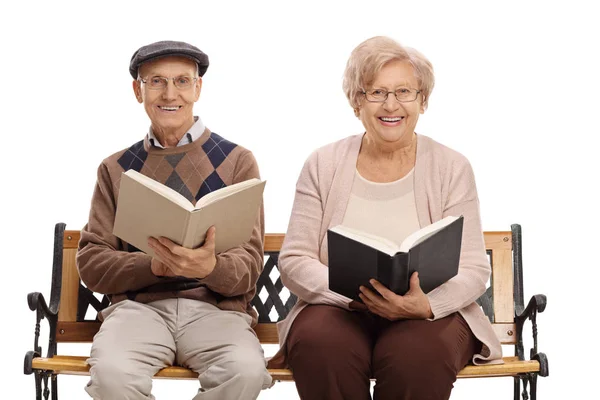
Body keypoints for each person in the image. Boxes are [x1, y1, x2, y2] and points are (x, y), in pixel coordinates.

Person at [269, 36, 503, 400]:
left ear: (422, 100)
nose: (390, 105)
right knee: (321, 345)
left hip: (428, 311)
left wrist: (425, 305)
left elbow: (473, 268)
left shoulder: (452, 167)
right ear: (356, 102)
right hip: (340, 307)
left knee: (417, 356)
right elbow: (295, 260)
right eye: (376, 92)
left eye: (404, 92)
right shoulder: (323, 164)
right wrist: (355, 297)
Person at [77, 40, 272, 400]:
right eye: (156, 82)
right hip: (138, 311)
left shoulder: (238, 161)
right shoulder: (115, 168)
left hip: (215, 313)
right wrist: (155, 266)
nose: (170, 93)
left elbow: (248, 265)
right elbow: (91, 262)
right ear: (139, 90)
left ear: (198, 88)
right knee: (111, 376)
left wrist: (208, 266)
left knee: (244, 372)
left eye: (182, 81)